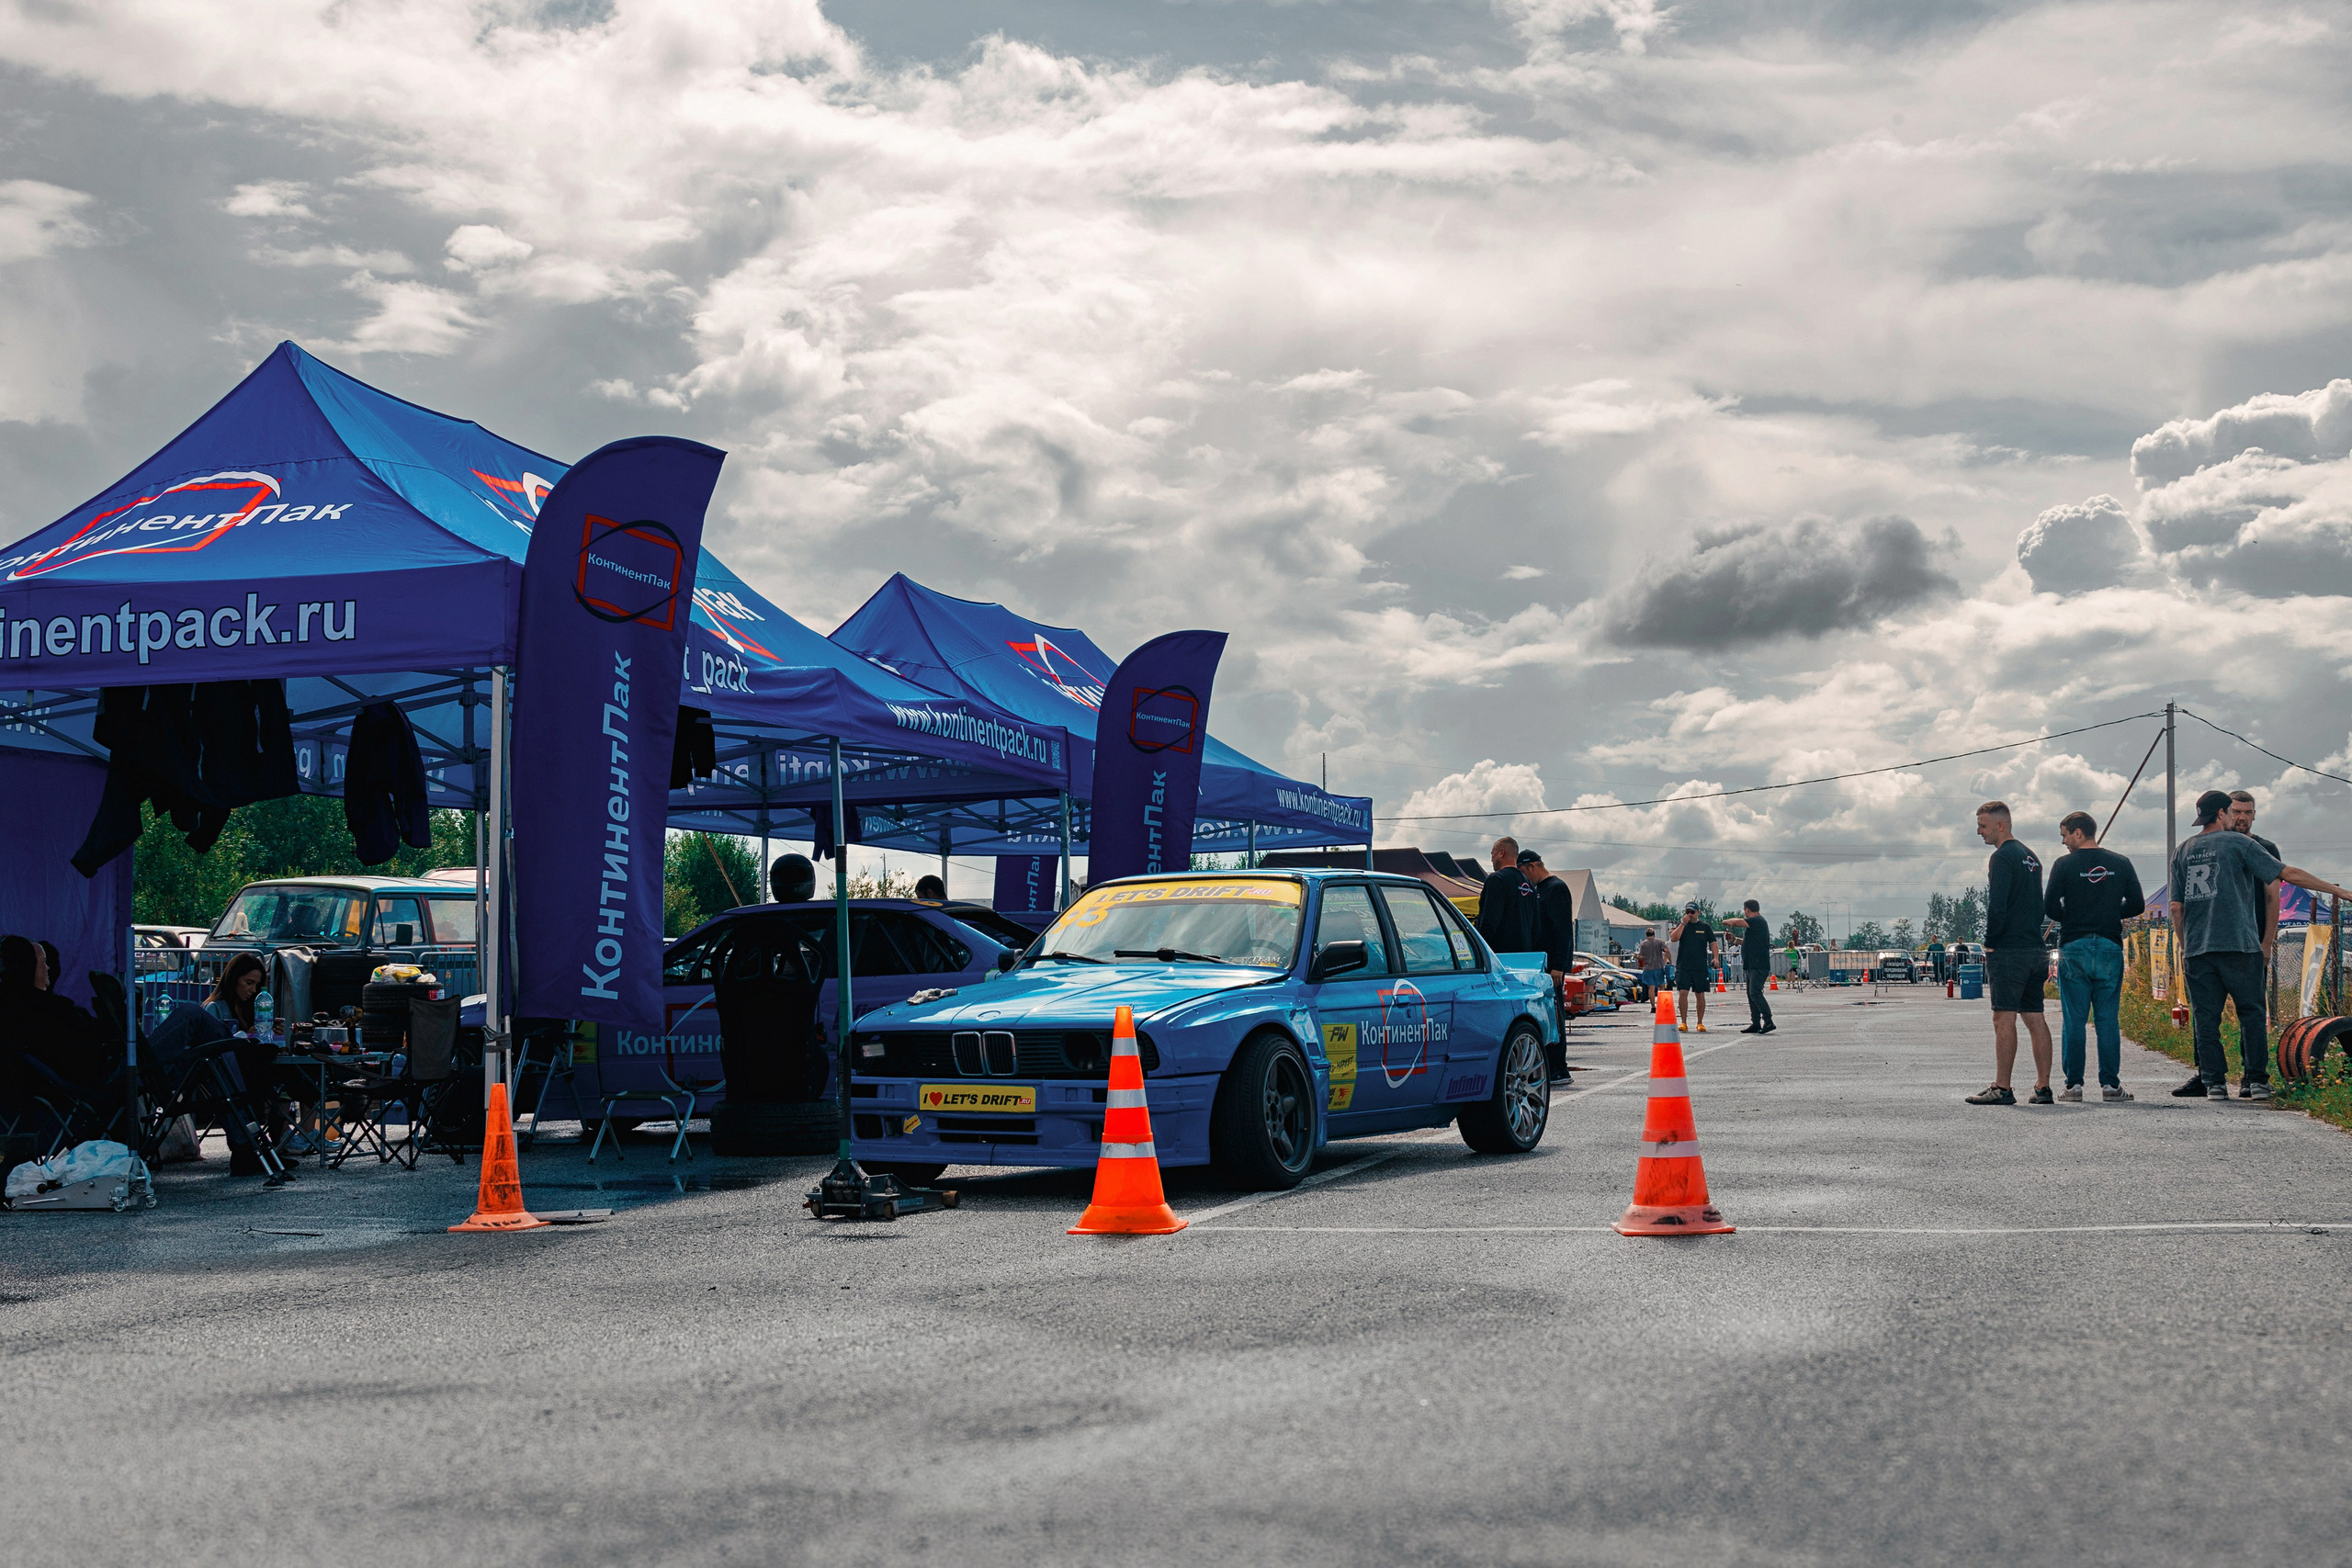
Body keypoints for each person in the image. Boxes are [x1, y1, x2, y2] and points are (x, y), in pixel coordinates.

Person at [2169, 789, 2352, 1100]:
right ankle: (2256, 1082)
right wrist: (2343, 893)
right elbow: (2287, 875)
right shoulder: (2241, 843)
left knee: (2206, 1018)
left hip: (2199, 949)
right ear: (2222, 814)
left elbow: (2176, 908)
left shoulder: (2183, 850)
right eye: (2231, 812)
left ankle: (2213, 1084)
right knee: (2251, 1014)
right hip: (2240, 946)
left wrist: (2188, 946)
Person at [2042, 810, 2145, 1101]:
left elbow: (2049, 906)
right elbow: (2137, 904)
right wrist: (2110, 913)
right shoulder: (2121, 863)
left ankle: (2073, 1086)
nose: (2063, 841)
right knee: (2107, 1019)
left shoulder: (2063, 865)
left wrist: (2073, 916)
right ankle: (2111, 1087)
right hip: (2110, 945)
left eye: (2064, 835)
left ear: (2078, 832)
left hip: (2074, 945)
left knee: (2074, 1019)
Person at [1965, 800, 2053, 1106]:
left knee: (2003, 1018)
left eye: (1983, 826)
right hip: (2034, 948)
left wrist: (1990, 941)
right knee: (2035, 1017)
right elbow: (2039, 905)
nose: (1979, 832)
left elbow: (1997, 904)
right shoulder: (2032, 857)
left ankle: (2002, 1087)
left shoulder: (2002, 857)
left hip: (2009, 950)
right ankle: (2043, 1087)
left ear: (2001, 825)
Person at [1519, 850, 1576, 1078]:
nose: (1523, 878)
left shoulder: (1556, 888)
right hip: (1538, 965)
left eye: (1523, 872)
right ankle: (1544, 1065)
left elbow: (1563, 930)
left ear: (1532, 866)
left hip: (1552, 966)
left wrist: (1559, 966)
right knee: (1542, 1016)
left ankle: (1559, 1067)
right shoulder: (1535, 890)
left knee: (1555, 1015)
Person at [1474, 836, 1542, 955]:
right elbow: (1536, 928)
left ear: (1501, 852)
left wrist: (1480, 950)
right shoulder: (1530, 886)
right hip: (1524, 956)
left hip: (1500, 956)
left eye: (1492, 854)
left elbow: (1489, 922)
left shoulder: (1497, 879)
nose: (1491, 860)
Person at [1669, 903, 1719, 1032]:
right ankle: (1683, 1022)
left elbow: (1713, 943)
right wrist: (1683, 924)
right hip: (1683, 966)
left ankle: (1700, 1023)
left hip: (1700, 966)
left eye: (1692, 912)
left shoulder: (1705, 927)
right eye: (1687, 912)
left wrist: (1716, 957)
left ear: (1698, 912)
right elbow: (1673, 938)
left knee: (1700, 994)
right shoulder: (1682, 926)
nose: (1690, 915)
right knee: (1683, 992)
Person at [1728, 899, 1775, 1033]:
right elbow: (1748, 942)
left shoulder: (1757, 921)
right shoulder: (1755, 925)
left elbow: (1737, 922)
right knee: (1751, 994)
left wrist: (1728, 922)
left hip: (1758, 964)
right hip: (1751, 965)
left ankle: (1768, 1021)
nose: (1744, 913)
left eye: (1744, 910)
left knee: (1755, 993)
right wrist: (1734, 940)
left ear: (1747, 910)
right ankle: (1756, 1023)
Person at [1634, 928, 1668, 1002]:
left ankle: (1653, 1006)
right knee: (1661, 987)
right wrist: (1666, 961)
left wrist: (1636, 957)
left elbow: (1641, 957)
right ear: (1654, 934)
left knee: (1651, 988)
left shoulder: (1643, 943)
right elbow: (1667, 950)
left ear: (1646, 935)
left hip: (1648, 968)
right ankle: (1661, 1004)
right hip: (1659, 967)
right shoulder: (1659, 942)